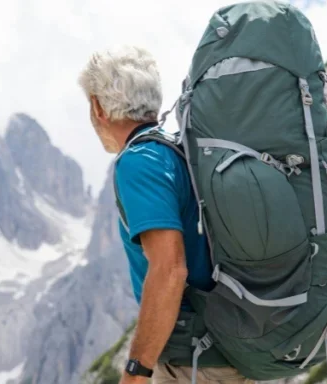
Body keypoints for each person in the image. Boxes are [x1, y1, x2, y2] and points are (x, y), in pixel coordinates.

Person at [77, 46, 253, 384]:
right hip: (228, 351)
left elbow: (170, 269)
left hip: (193, 362)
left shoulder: (139, 162)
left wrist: (136, 370)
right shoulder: (179, 151)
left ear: (98, 107)